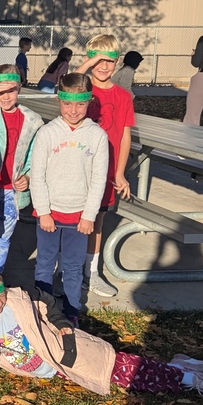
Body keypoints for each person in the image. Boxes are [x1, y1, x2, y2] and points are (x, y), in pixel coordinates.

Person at [0, 267, 203, 403]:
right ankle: (180, 367)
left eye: (0, 296)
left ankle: (191, 379)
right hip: (53, 369)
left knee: (125, 371)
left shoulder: (18, 298)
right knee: (125, 374)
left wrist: (61, 322)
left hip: (63, 351)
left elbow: (48, 304)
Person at [29, 74, 108, 324]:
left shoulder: (97, 136)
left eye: (80, 104)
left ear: (89, 102)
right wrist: (43, 211)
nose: (73, 110)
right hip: (49, 215)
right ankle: (43, 309)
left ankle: (72, 312)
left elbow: (99, 179)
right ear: (59, 101)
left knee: (73, 268)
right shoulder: (47, 133)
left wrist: (89, 216)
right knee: (45, 264)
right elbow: (37, 175)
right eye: (67, 104)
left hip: (80, 218)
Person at [75, 34, 135, 298]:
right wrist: (91, 61)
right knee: (70, 217)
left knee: (96, 220)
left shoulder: (123, 96)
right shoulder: (82, 89)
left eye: (109, 61)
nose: (103, 66)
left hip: (106, 170)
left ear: (117, 62)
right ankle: (67, 268)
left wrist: (120, 173)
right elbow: (71, 81)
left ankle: (92, 271)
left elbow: (124, 135)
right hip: (77, 166)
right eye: (97, 60)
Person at [0, 64, 43, 274]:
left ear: (19, 89)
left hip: (12, 190)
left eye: (10, 90)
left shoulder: (33, 120)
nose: (5, 96)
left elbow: (34, 154)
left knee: (3, 237)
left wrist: (28, 177)